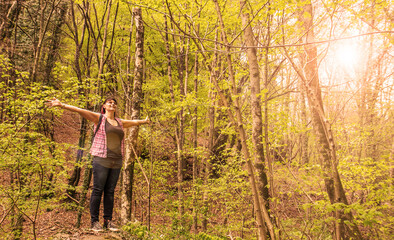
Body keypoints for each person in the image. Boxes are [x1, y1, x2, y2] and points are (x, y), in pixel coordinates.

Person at [46, 97, 150, 232]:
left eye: (114, 103)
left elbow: (133, 122)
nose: (112, 104)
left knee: (110, 191)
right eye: (109, 103)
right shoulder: (99, 119)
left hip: (116, 160)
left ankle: (108, 221)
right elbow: (80, 110)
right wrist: (62, 105)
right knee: (97, 189)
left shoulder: (119, 122)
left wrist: (144, 121)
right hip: (101, 158)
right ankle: (94, 222)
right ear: (104, 106)